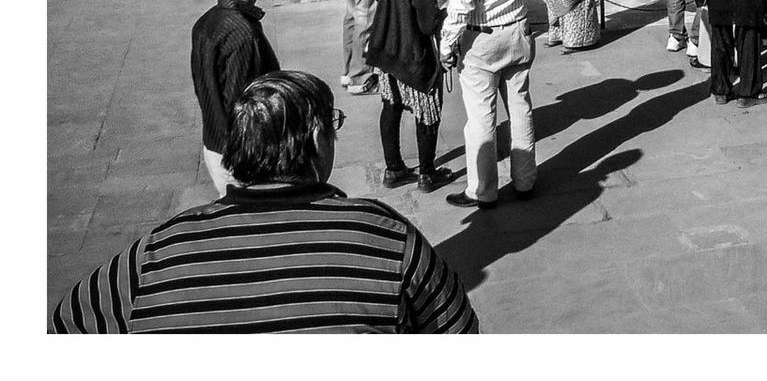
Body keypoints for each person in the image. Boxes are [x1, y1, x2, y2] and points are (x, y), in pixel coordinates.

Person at [50, 71, 478, 333]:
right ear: (315, 139)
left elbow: (67, 325)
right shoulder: (382, 235)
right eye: (335, 125)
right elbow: (457, 331)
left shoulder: (159, 251)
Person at [442, 0, 542, 208]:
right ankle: (526, 180)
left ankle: (483, 190)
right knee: (520, 109)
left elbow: (460, 7)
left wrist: (446, 47)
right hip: (517, 32)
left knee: (482, 119)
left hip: (481, 40)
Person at [365, 0, 457, 192]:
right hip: (412, 53)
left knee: (390, 106)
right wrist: (446, 14)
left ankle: (393, 169)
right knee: (427, 110)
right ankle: (427, 174)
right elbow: (427, 24)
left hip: (384, 46)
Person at [190, 0, 280, 195]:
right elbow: (242, 103)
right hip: (241, 156)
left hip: (216, 144)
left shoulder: (207, 22)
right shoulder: (242, 33)